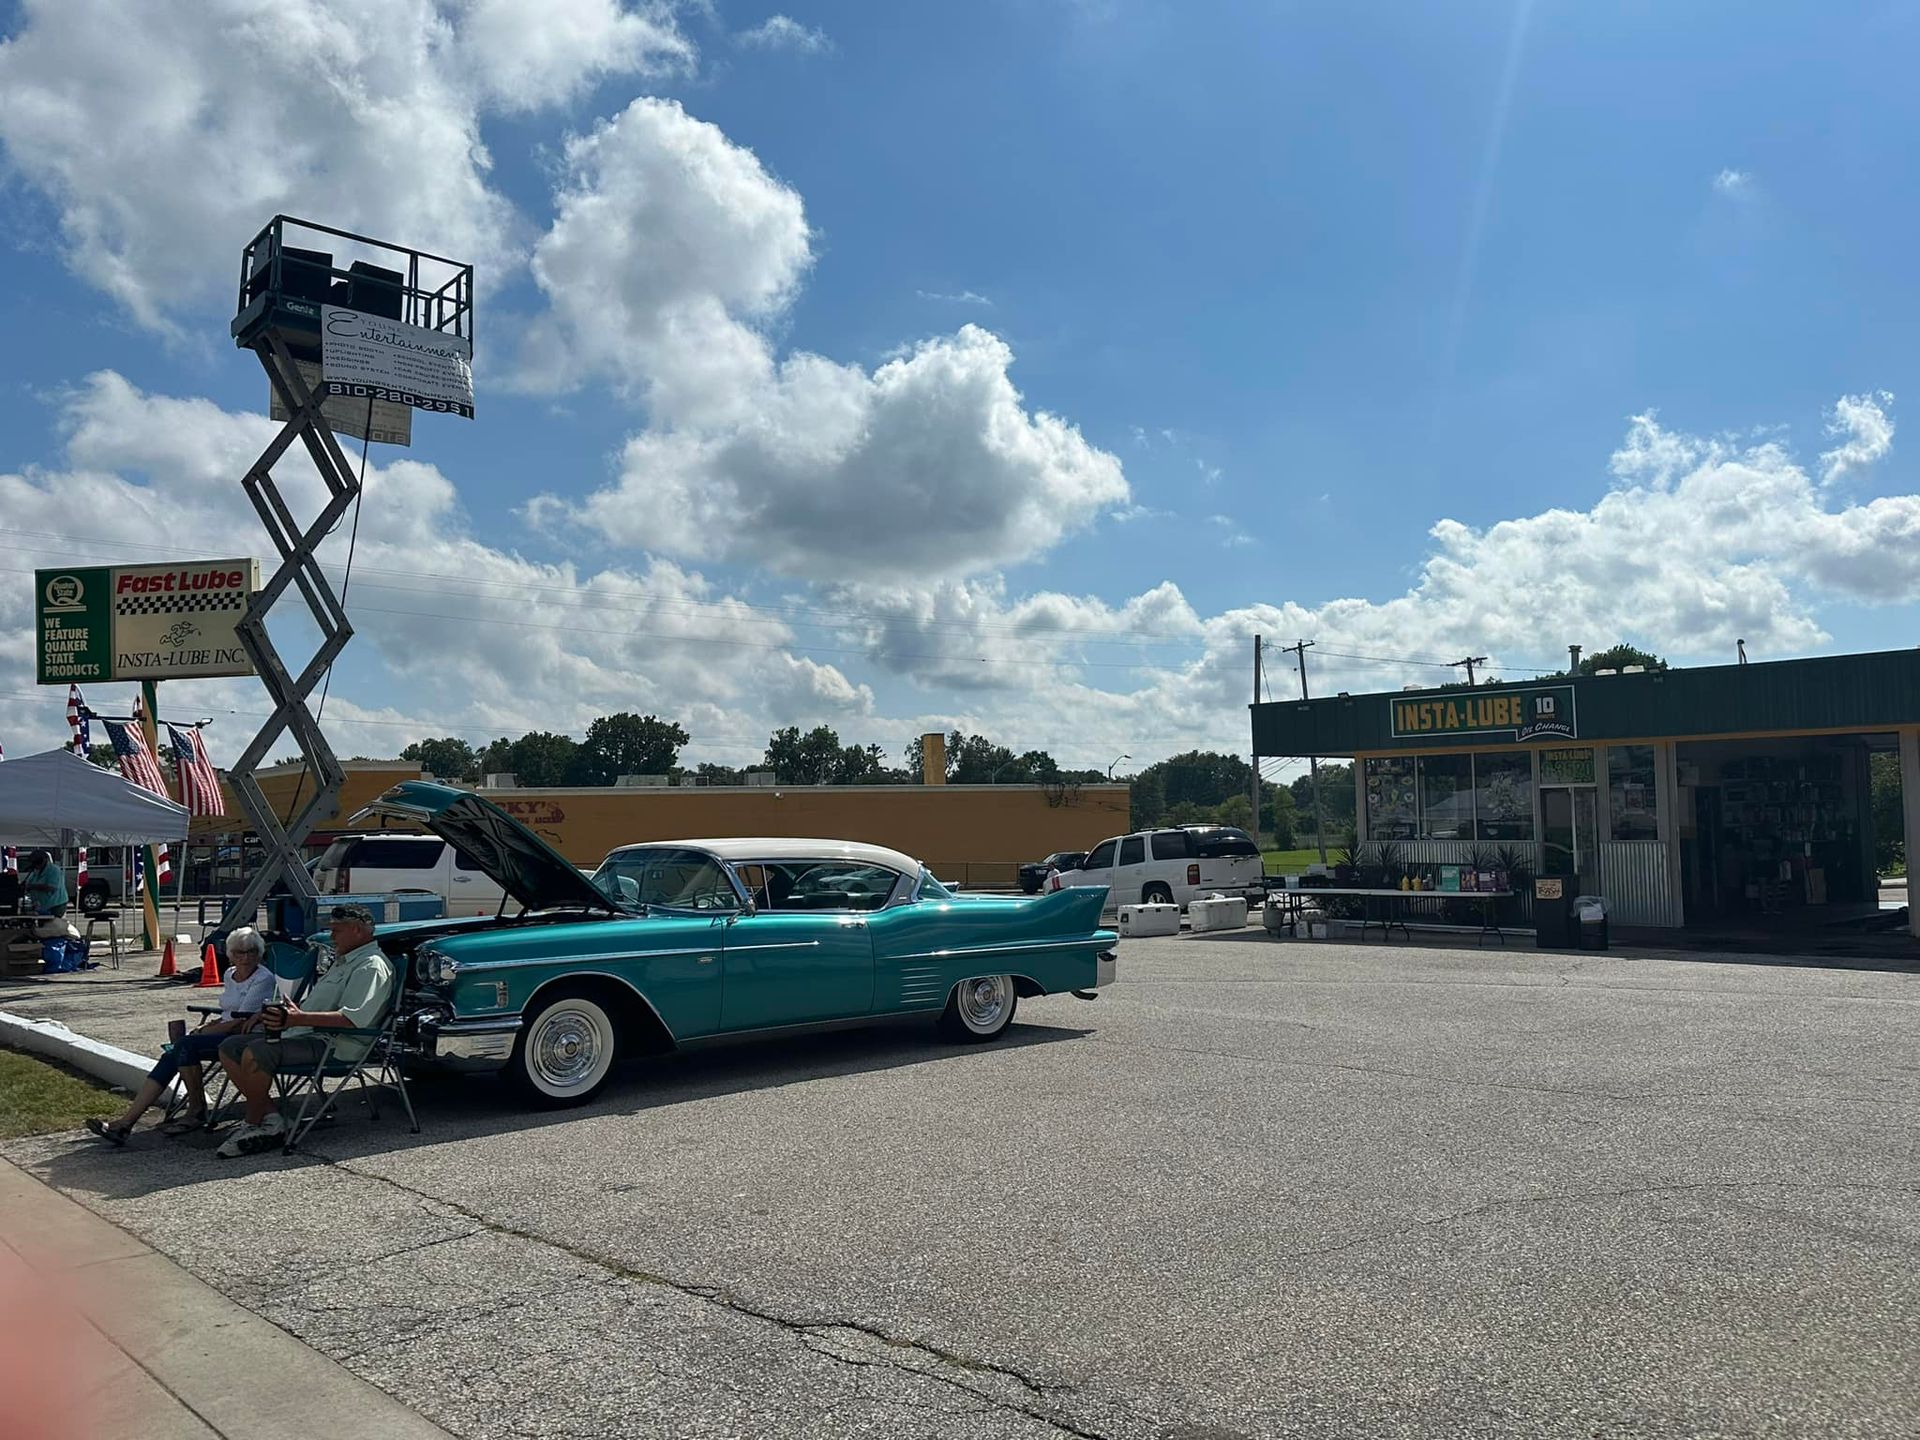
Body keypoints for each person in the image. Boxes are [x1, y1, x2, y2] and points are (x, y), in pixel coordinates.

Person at [215, 904, 394, 1158]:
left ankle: (254, 1124)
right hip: (308, 1033)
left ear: (356, 930)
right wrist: (292, 1013)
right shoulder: (343, 961)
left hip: (337, 1044)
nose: (331, 937)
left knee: (258, 1051)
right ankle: (273, 1119)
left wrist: (298, 1019)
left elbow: (353, 1020)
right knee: (230, 1046)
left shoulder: (370, 966)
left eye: (337, 931)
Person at [86, 927, 276, 1145]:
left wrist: (204, 1030)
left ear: (259, 953)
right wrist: (212, 1025)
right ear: (231, 953)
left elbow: (242, 1020)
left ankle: (196, 1110)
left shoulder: (263, 978)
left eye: (251, 951)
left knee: (185, 1045)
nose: (246, 957)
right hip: (224, 1031)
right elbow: (228, 1012)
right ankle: (126, 1122)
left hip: (246, 1037)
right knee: (173, 1054)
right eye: (240, 952)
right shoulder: (229, 974)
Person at [21, 850, 67, 918]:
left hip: (55, 906)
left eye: (36, 862)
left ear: (44, 860)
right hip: (42, 905)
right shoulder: (36, 871)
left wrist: (32, 887)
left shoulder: (54, 870)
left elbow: (51, 887)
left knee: (51, 926)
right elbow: (29, 883)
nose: (35, 865)